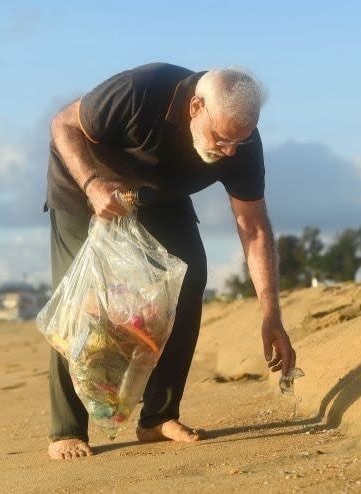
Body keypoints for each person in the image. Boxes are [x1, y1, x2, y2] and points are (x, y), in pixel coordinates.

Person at [44, 62, 297, 460]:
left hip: (157, 194)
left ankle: (158, 417)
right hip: (83, 186)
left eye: (239, 142)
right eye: (221, 138)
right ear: (196, 106)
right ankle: (67, 429)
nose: (228, 151)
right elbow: (63, 124)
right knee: (82, 302)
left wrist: (271, 313)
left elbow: (254, 227)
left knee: (190, 275)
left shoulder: (240, 144)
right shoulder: (138, 91)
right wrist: (93, 186)